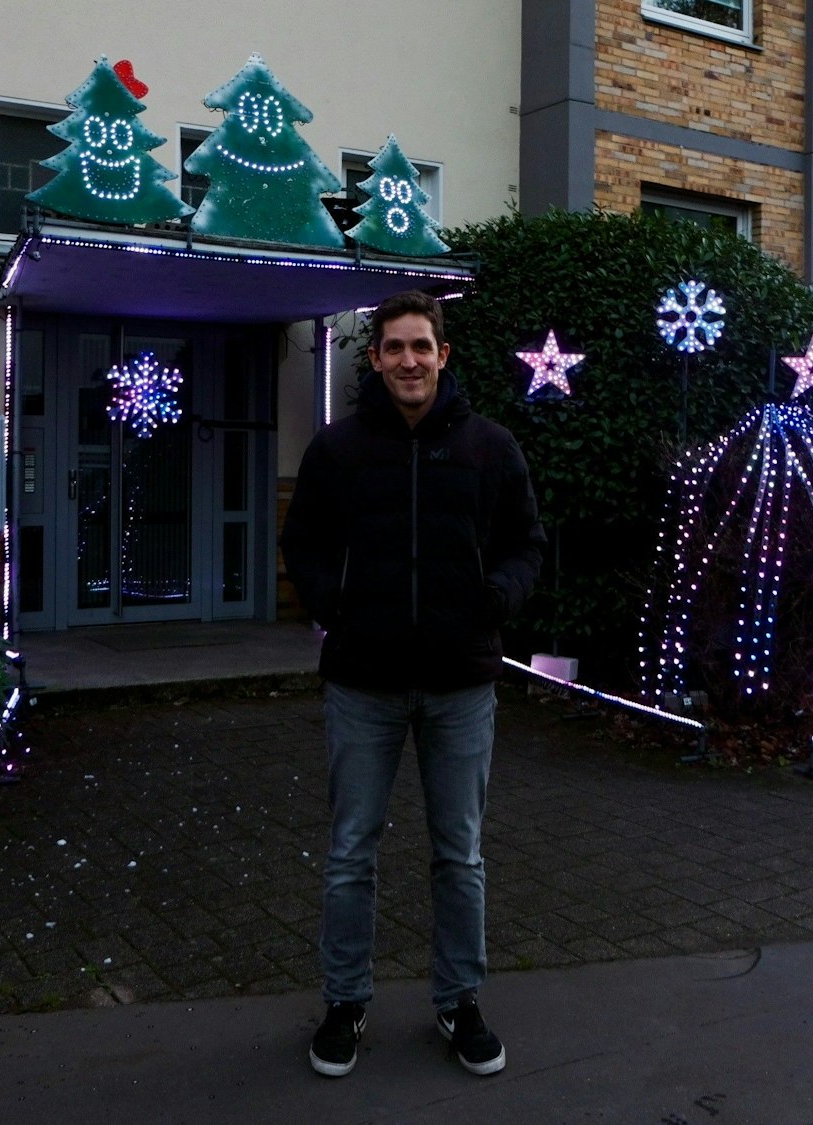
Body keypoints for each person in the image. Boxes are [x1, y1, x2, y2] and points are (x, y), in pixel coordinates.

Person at [280, 289, 545, 1078]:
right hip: (363, 683)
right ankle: (345, 1002)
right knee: (350, 852)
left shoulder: (490, 448)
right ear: (376, 358)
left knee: (458, 853)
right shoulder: (338, 450)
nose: (407, 361)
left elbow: (526, 543)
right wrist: (336, 607)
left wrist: (496, 600)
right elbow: (305, 543)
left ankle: (459, 1001)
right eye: (393, 347)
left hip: (461, 685)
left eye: (420, 346)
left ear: (443, 355)